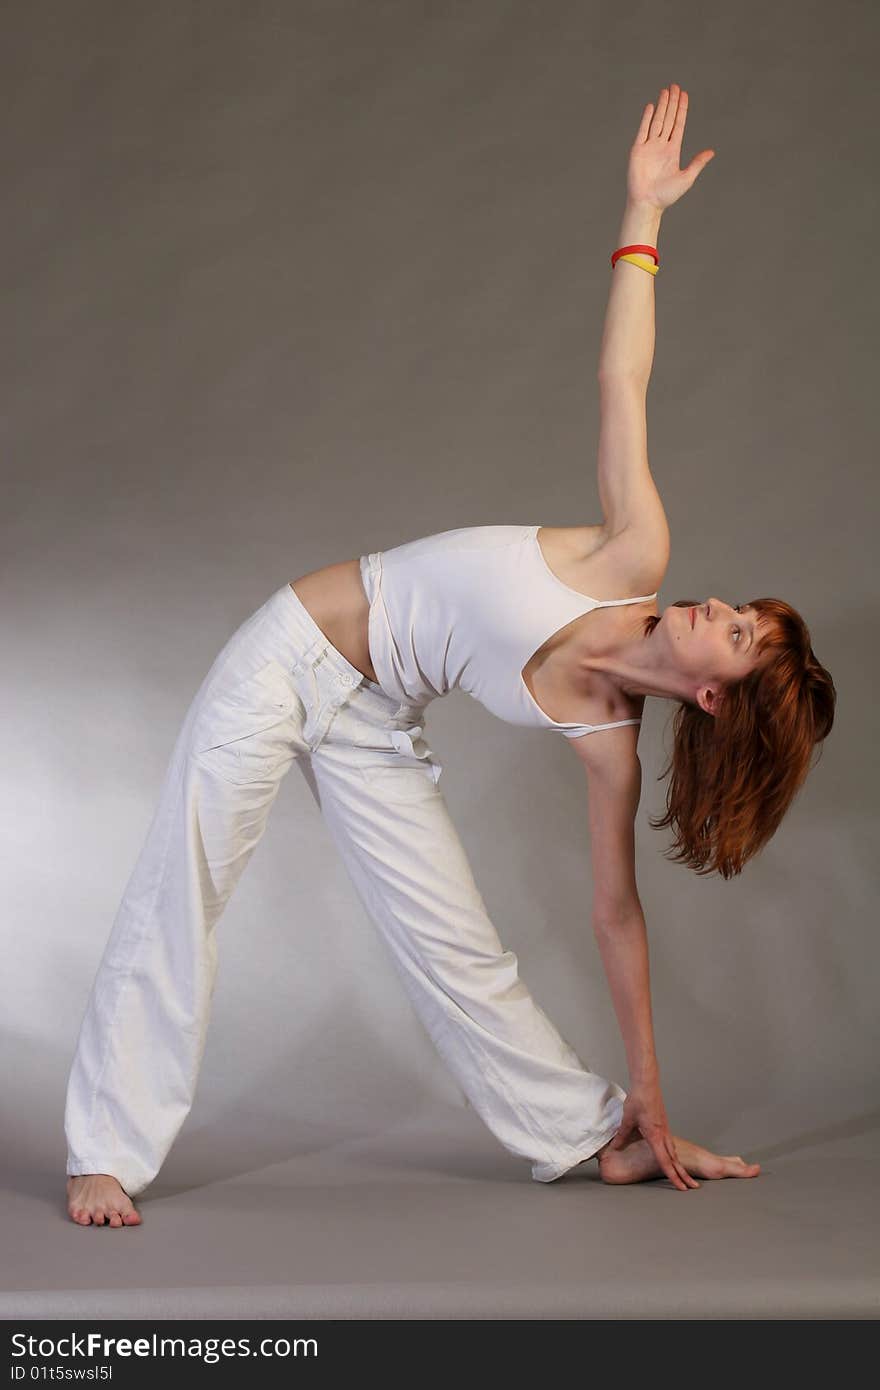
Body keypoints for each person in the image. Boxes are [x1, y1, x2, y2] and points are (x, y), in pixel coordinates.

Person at [65, 84, 835, 1226]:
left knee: (461, 950)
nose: (714, 602)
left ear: (714, 693)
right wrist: (643, 216)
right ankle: (105, 1150)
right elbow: (622, 379)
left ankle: (591, 1135)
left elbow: (615, 920)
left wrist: (654, 1103)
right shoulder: (635, 551)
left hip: (375, 721)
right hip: (285, 657)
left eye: (733, 628)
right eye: (735, 606)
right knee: (190, 883)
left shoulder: (608, 742)